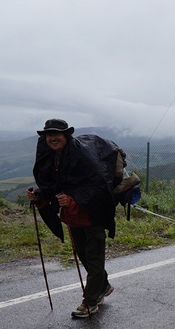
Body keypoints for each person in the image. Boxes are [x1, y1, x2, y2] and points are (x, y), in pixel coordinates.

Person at [26, 118, 115, 318]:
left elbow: (98, 186)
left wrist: (73, 201)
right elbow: (54, 188)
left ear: (66, 135)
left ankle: (90, 302)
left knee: (93, 259)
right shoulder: (53, 159)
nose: (52, 138)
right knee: (85, 257)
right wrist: (39, 196)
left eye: (57, 134)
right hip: (74, 218)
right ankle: (104, 286)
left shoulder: (82, 156)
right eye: (49, 134)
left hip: (93, 216)